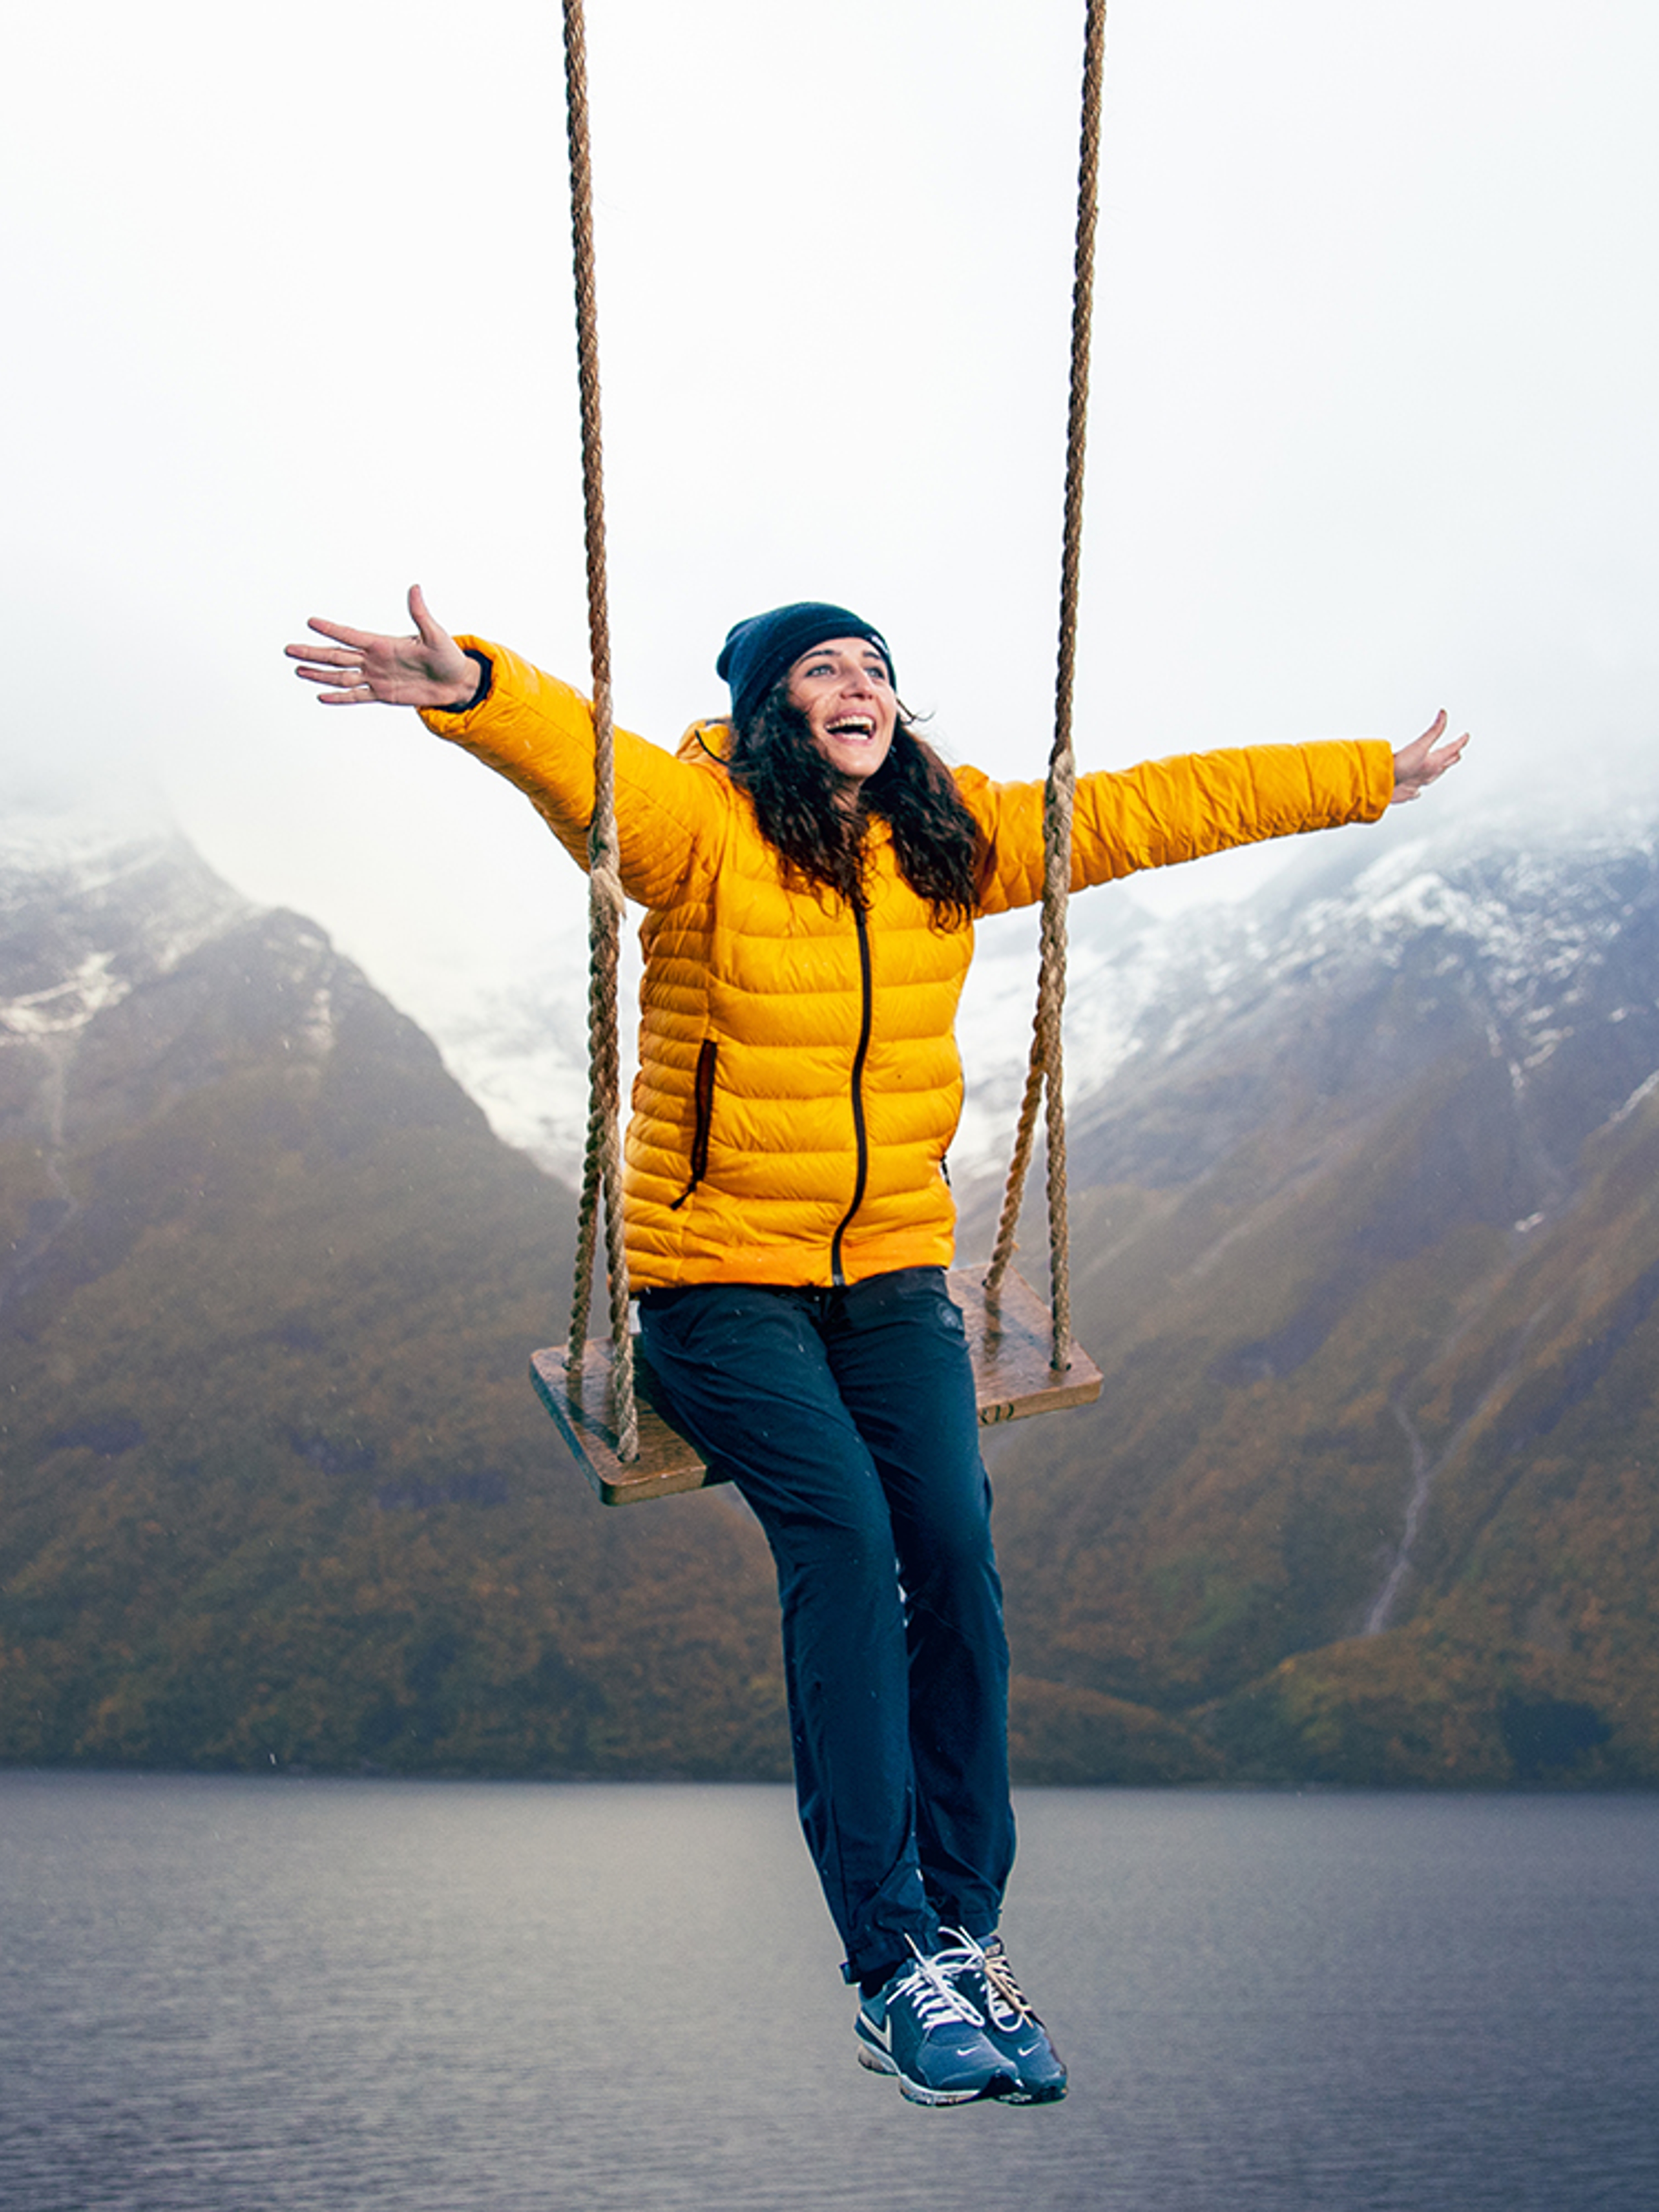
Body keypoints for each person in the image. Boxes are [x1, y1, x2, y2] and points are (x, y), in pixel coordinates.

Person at [286, 588, 1465, 2107]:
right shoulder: (701, 830)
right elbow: (596, 771)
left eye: (877, 672)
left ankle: (966, 1929)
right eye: (822, 671)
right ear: (773, 707)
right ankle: (890, 1961)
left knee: (957, 1551)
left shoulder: (949, 844)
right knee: (844, 1542)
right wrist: (478, 691)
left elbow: (1156, 809)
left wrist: (1366, 773)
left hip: (893, 1274)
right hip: (718, 1286)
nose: (858, 688)